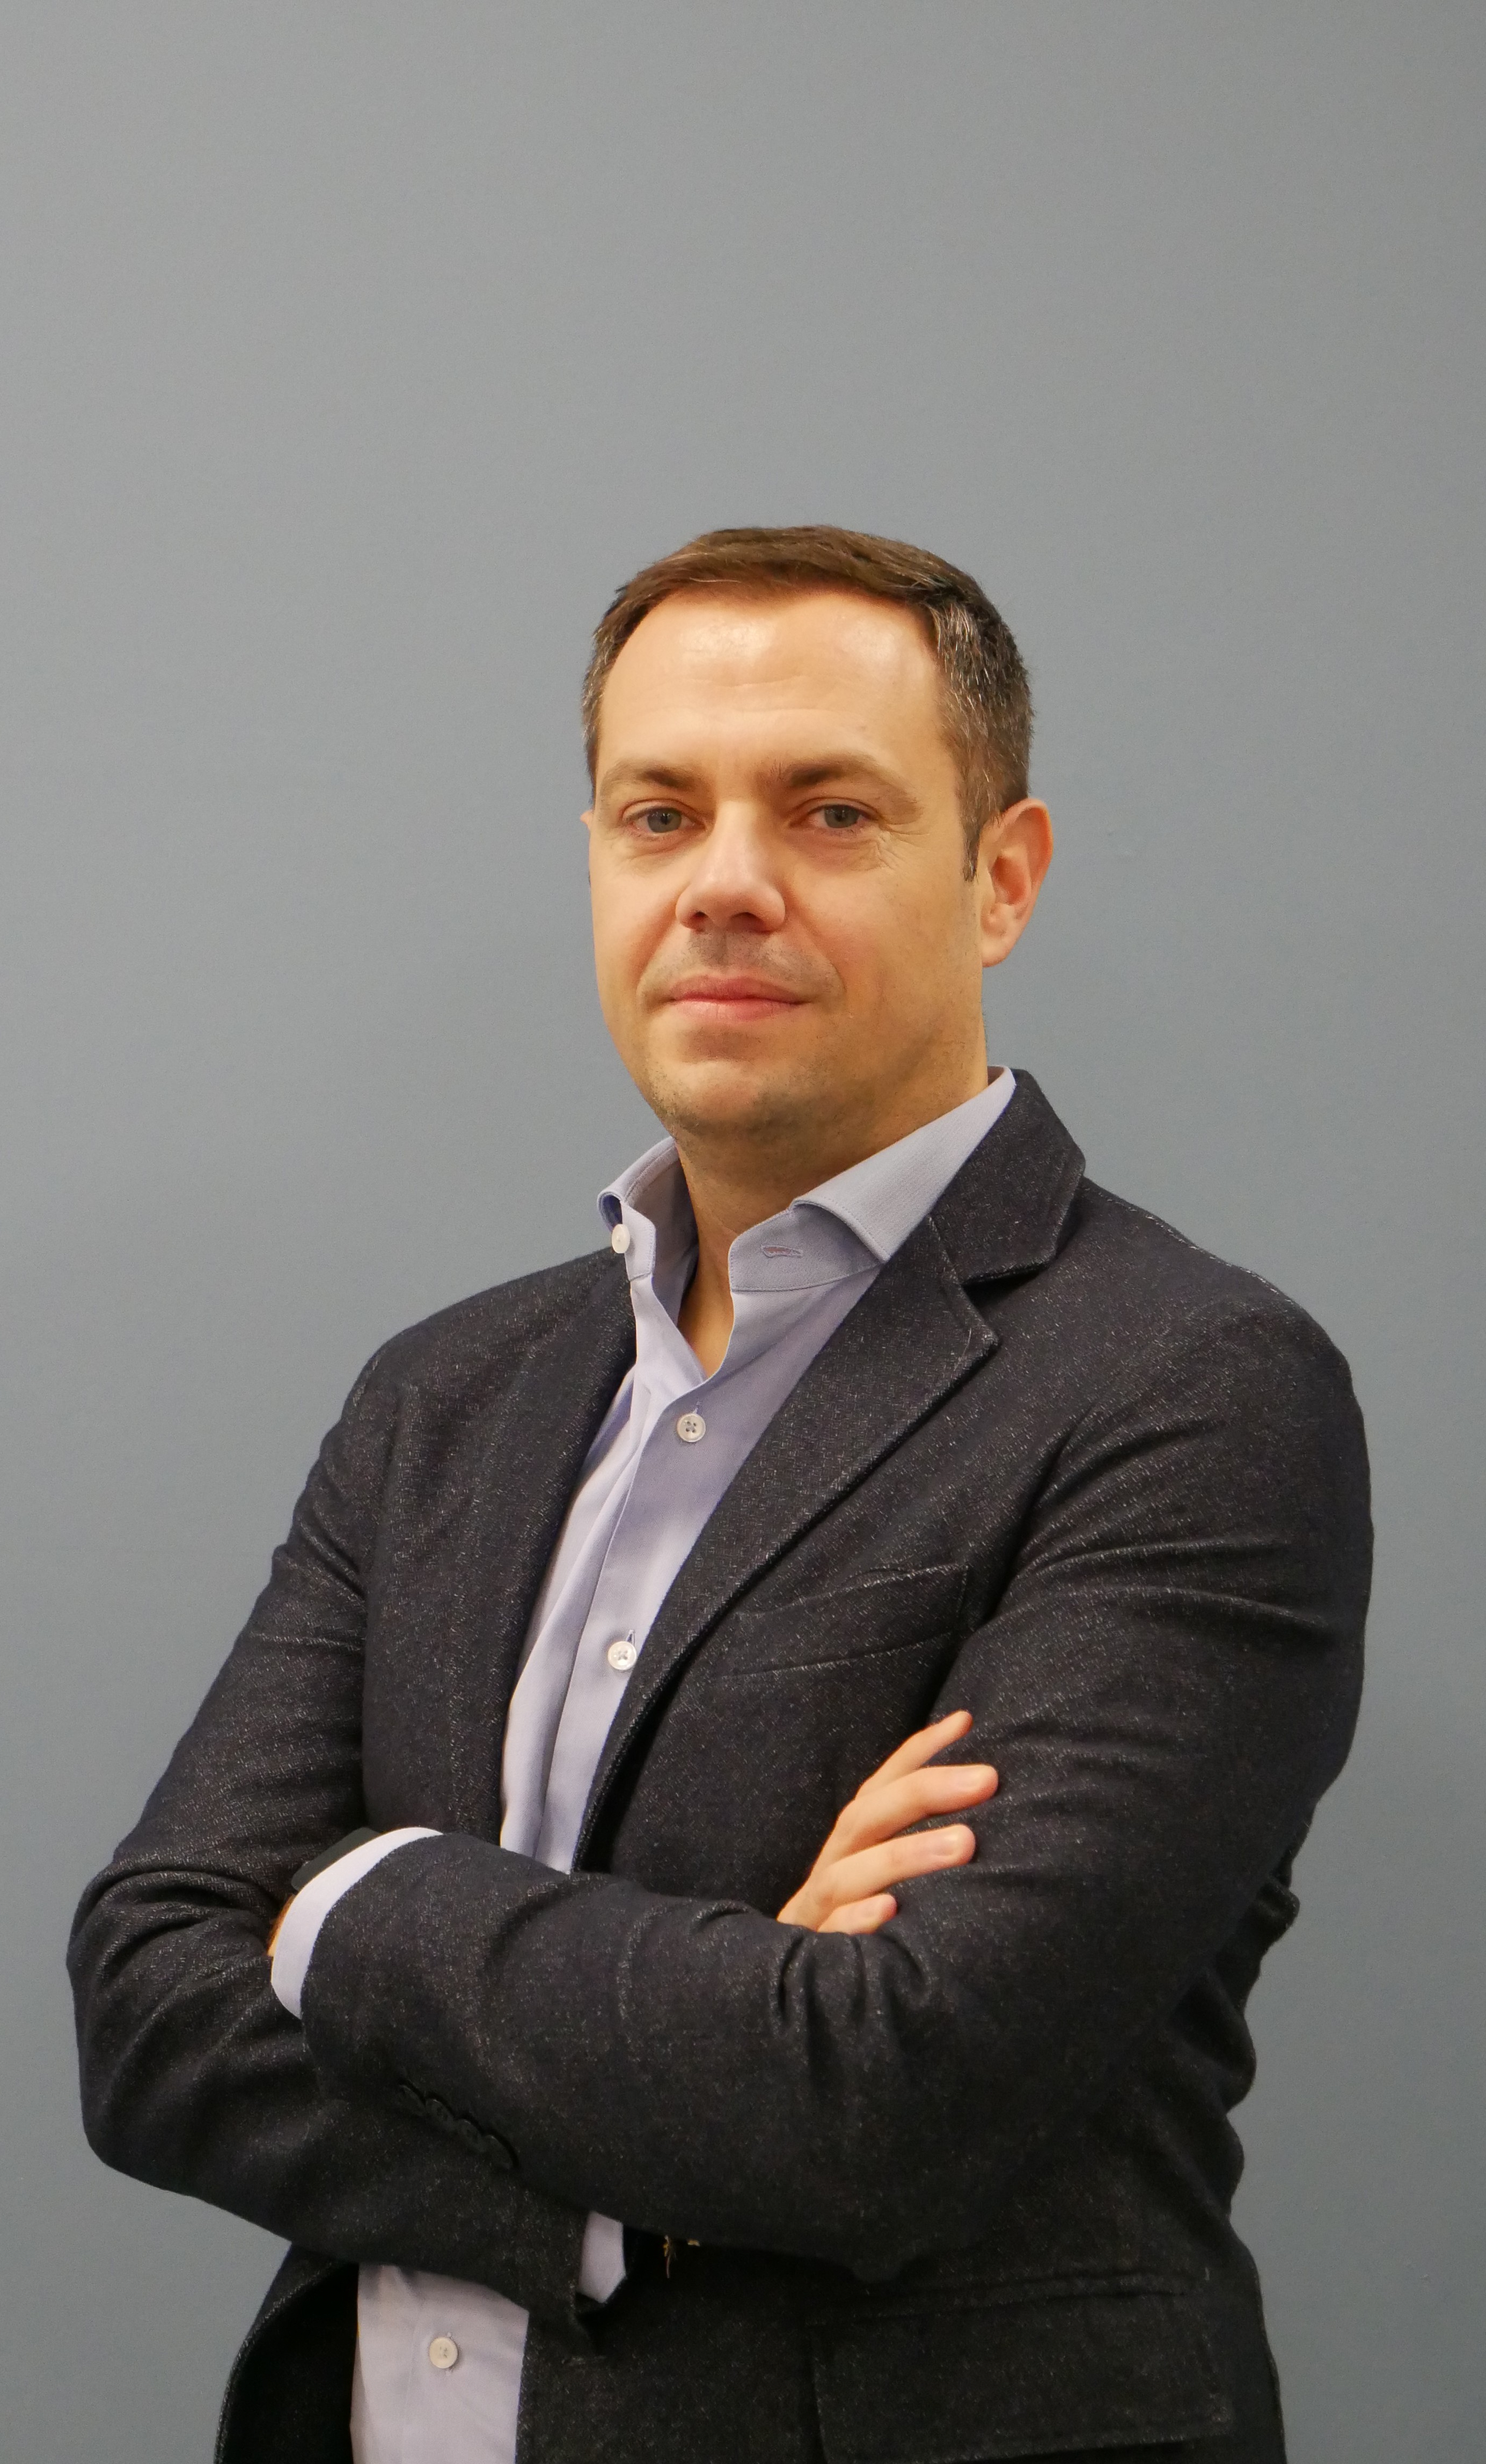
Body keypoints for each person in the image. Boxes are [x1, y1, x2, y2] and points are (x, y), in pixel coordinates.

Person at [68, 526, 1370, 2464]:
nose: (726, 884)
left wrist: (352, 1899)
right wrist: (640, 2155)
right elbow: (148, 2001)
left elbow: (880, 2097)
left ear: (1001, 878)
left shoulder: (1192, 1390)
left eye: (831, 813)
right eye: (658, 814)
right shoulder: (446, 1394)